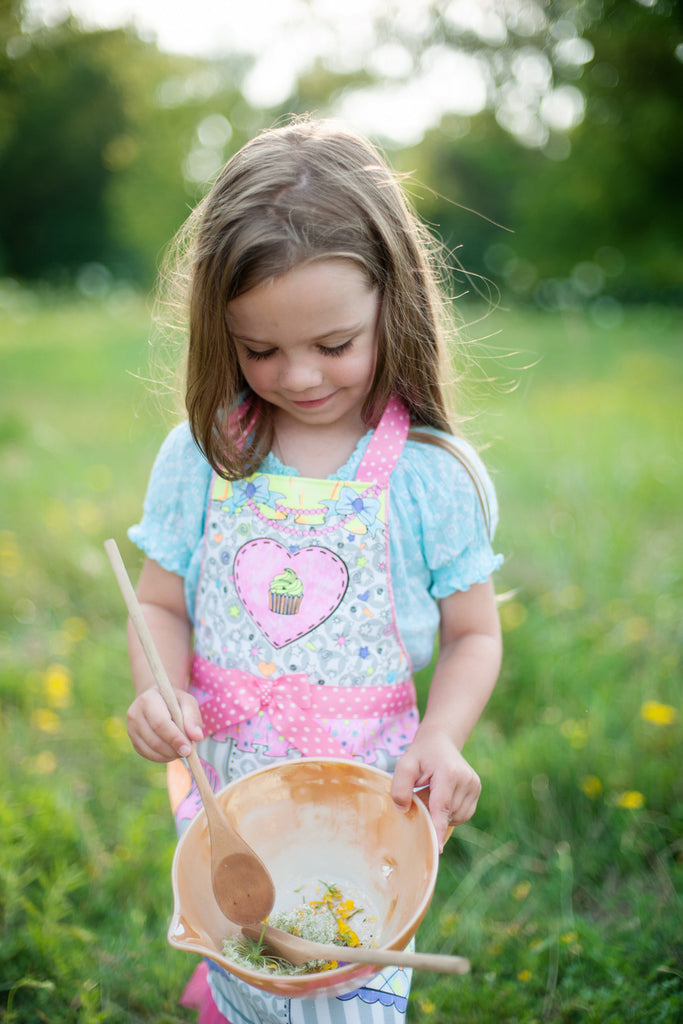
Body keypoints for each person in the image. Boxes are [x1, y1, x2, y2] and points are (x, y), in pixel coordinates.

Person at [125, 115, 503, 1024]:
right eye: (259, 350)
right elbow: (159, 604)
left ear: (394, 305)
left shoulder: (425, 476)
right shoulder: (203, 457)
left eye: (332, 345)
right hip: (232, 785)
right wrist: (158, 690)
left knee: (345, 986)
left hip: (368, 804)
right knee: (247, 950)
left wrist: (443, 736)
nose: (297, 376)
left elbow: (472, 632)